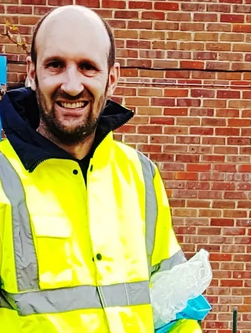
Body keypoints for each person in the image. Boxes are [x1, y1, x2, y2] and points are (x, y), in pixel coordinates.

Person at [0, 5, 202, 333]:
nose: (71, 85)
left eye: (87, 67)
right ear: (33, 74)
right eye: (55, 65)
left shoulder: (140, 175)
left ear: (112, 79)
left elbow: (174, 308)